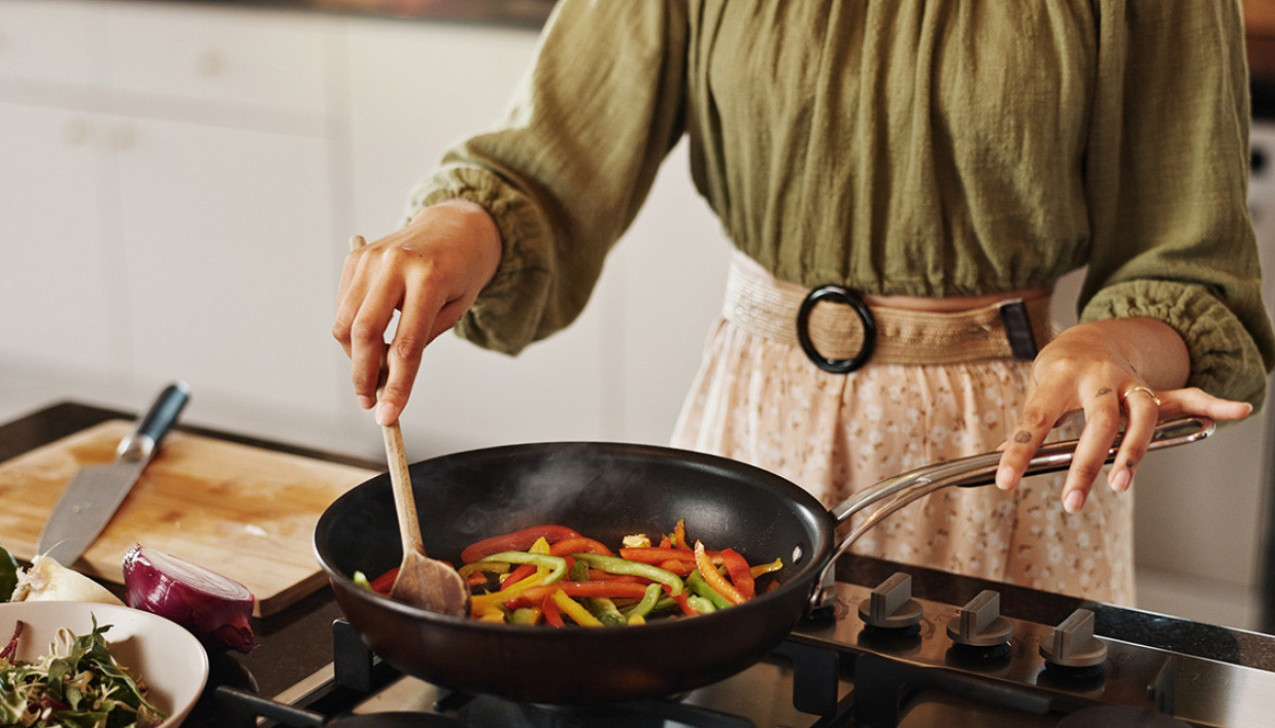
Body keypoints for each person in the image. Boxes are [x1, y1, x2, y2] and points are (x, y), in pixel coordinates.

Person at [334, 1, 1274, 605]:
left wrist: (1115, 345)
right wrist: (457, 229)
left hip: (1005, 452)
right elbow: (547, 165)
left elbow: (1185, 265)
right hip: (753, 426)